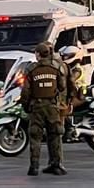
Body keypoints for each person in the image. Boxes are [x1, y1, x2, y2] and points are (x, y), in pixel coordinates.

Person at [22, 41, 68, 176]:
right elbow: (62, 86)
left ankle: (34, 167)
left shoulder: (31, 70)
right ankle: (56, 165)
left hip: (37, 107)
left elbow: (25, 91)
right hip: (52, 107)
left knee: (35, 136)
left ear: (38, 54)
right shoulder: (56, 68)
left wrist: (25, 105)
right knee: (54, 135)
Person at [58, 45, 87, 139]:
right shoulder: (70, 68)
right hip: (74, 94)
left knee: (63, 108)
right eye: (64, 56)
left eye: (67, 56)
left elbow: (71, 80)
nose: (64, 58)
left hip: (80, 95)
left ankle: (69, 129)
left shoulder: (77, 69)